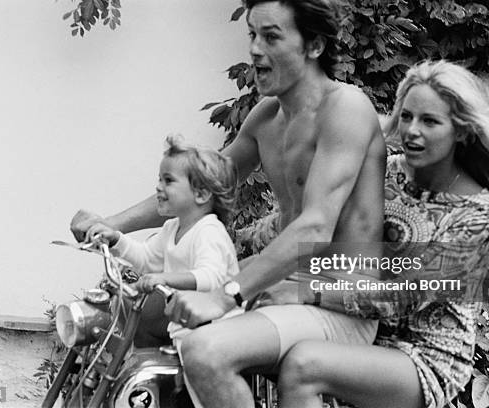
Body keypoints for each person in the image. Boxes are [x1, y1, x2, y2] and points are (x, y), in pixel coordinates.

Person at [71, 0, 386, 406]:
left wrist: (226, 294)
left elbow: (316, 227)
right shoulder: (266, 118)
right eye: (252, 34)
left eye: (271, 36)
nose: (255, 49)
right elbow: (196, 187)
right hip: (281, 292)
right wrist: (112, 225)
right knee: (142, 314)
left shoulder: (345, 109)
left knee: (206, 352)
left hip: (340, 300)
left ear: (315, 46)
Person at [268, 60, 489, 408]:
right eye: (406, 116)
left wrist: (304, 290)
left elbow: (401, 297)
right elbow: (318, 221)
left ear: (462, 131)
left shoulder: (478, 213)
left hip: (424, 357)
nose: (411, 130)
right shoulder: (386, 170)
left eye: (429, 121)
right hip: (356, 327)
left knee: (303, 365)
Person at [86, 135, 239, 346]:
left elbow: (211, 277)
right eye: (159, 179)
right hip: (185, 332)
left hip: (215, 336)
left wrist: (165, 278)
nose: (158, 187)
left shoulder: (209, 231)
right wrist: (116, 241)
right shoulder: (172, 228)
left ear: (201, 195)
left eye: (168, 180)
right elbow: (146, 258)